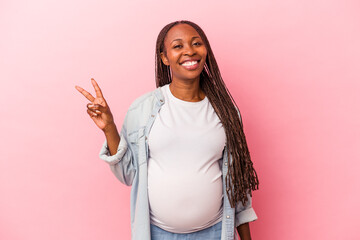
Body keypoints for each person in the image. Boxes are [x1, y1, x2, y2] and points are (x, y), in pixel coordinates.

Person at [75, 20, 259, 240]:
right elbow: (128, 174)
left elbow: (237, 185)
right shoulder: (143, 110)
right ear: (164, 58)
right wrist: (110, 128)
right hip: (157, 234)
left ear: (205, 50)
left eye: (196, 43)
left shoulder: (226, 113)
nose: (189, 51)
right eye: (178, 46)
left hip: (215, 232)